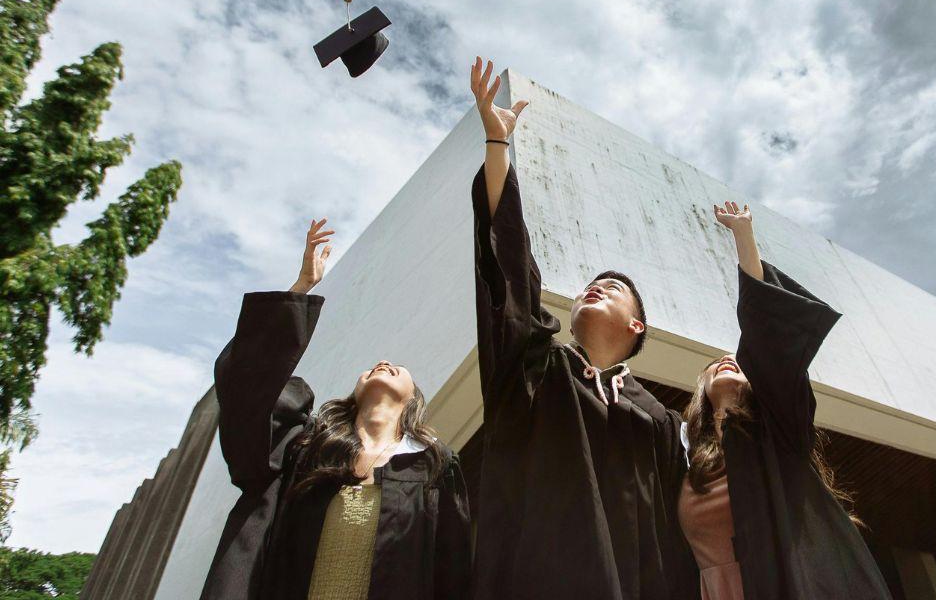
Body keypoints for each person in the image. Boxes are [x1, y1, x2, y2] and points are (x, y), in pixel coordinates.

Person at [467, 57, 697, 600]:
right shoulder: (534, 367)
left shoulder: (659, 422)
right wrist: (498, 147)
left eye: (612, 288)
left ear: (636, 325)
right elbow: (510, 275)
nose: (593, 287)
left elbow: (674, 536)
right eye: (588, 284)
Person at [200, 220, 471, 600]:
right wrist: (300, 288)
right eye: (371, 367)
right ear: (354, 393)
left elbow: (452, 572)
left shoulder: (434, 466)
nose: (382, 361)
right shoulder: (304, 446)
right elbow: (246, 390)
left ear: (412, 399)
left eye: (397, 367)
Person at [679, 201, 892, 600]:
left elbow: (768, 338)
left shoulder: (778, 432)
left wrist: (744, 237)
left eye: (738, 363)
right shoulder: (687, 459)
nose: (727, 361)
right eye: (714, 366)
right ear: (701, 388)